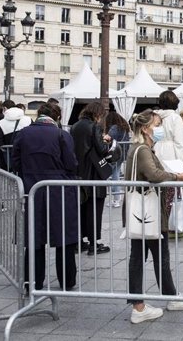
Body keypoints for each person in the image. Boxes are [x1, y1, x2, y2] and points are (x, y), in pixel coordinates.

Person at [124, 110, 183, 324]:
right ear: (146, 129)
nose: (160, 129)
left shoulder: (143, 148)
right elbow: (154, 175)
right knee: (150, 256)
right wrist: (178, 176)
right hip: (148, 213)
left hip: (145, 213)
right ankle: (143, 306)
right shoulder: (142, 150)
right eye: (157, 125)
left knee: (152, 255)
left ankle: (161, 298)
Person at [12, 101, 78, 292]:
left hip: (31, 187)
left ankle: (32, 281)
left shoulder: (23, 134)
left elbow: (15, 162)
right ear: (56, 117)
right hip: (59, 190)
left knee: (34, 238)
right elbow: (71, 163)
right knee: (64, 236)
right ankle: (67, 280)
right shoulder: (61, 135)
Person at [71, 102, 112, 255]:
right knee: (95, 208)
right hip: (94, 172)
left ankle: (79, 241)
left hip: (78, 172)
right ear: (98, 114)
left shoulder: (75, 126)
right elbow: (101, 149)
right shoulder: (95, 127)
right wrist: (106, 141)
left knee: (81, 208)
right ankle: (94, 243)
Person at [155, 91, 183, 238]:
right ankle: (168, 225)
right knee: (171, 192)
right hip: (171, 155)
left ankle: (158, 223)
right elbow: (179, 142)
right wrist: (182, 164)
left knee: (159, 192)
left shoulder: (155, 117)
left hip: (157, 152)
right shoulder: (175, 118)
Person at [0, 105, 33, 171]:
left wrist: (4, 148)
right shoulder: (28, 120)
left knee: (12, 171)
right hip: (27, 152)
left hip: (10, 154)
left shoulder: (1, 123)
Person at [105, 110, 131, 208]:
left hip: (115, 154)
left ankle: (116, 199)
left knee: (114, 175)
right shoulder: (124, 128)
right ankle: (117, 197)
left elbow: (107, 138)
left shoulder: (114, 127)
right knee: (116, 174)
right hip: (122, 153)